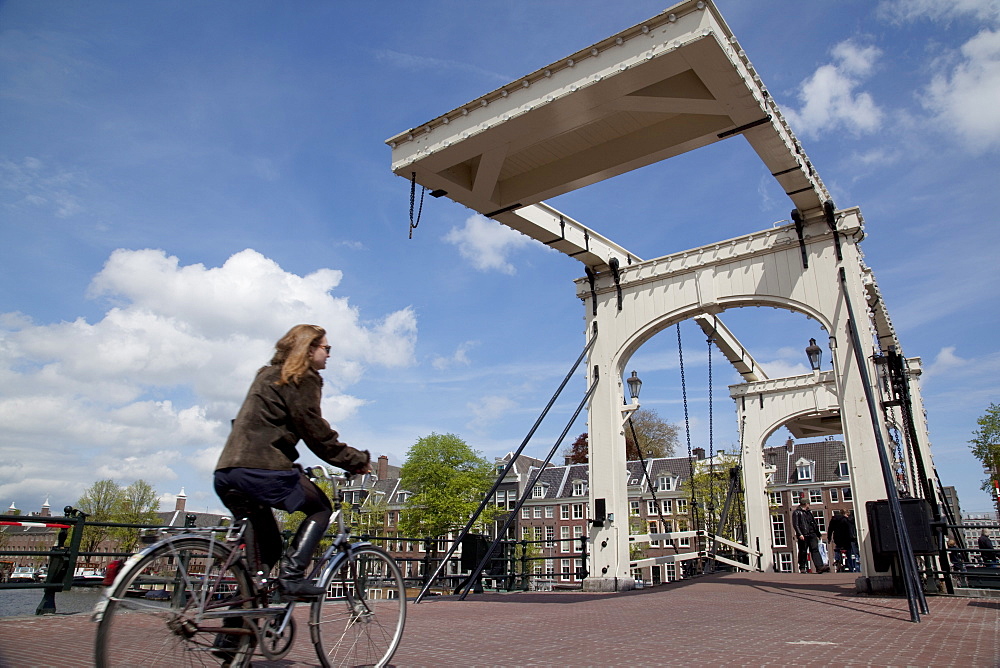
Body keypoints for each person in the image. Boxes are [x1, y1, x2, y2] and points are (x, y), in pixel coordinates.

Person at [214, 324, 371, 600]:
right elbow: (315, 432)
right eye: (327, 348)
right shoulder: (301, 377)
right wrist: (356, 461)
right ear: (310, 349)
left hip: (227, 471)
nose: (329, 355)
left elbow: (256, 425)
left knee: (266, 552)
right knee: (321, 507)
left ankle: (231, 638)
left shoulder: (265, 376)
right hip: (261, 470)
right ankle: (292, 576)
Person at [792, 499, 829, 573]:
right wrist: (800, 534)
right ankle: (802, 567)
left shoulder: (809, 512)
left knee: (815, 550)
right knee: (803, 551)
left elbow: (814, 523)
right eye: (808, 503)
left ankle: (819, 567)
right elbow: (796, 524)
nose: (809, 505)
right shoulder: (797, 512)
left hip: (812, 534)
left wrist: (818, 533)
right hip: (804, 534)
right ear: (806, 504)